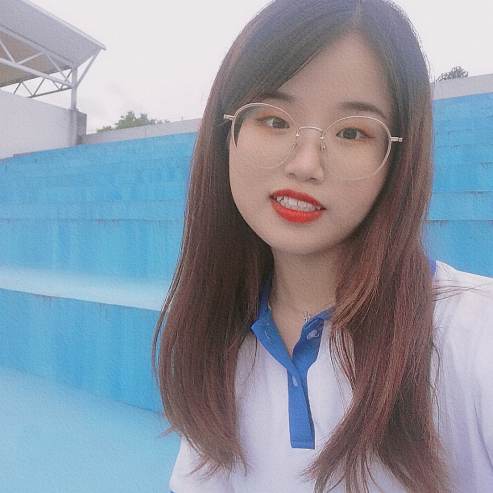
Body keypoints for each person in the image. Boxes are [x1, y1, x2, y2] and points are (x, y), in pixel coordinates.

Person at [153, 0, 493, 491]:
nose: (306, 164)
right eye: (274, 120)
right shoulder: (219, 342)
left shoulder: (475, 335)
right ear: (227, 131)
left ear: (398, 158)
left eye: (352, 132)